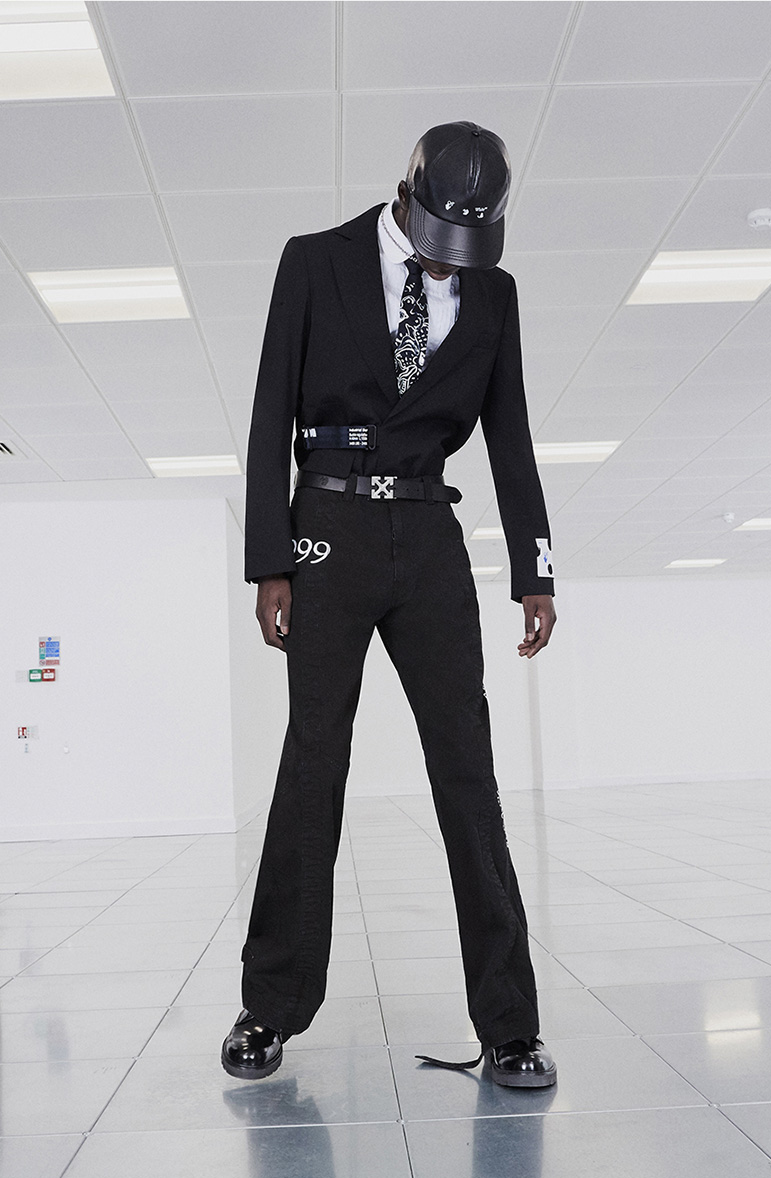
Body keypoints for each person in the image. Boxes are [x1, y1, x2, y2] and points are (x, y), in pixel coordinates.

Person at [221, 121, 558, 1089]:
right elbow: (268, 413)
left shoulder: (493, 294)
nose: (447, 263)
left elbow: (509, 434)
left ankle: (508, 1025)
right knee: (313, 761)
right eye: (437, 240)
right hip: (327, 527)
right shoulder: (313, 261)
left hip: (430, 534)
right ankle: (270, 1005)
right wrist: (269, 561)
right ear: (403, 197)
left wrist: (534, 568)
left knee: (468, 773)